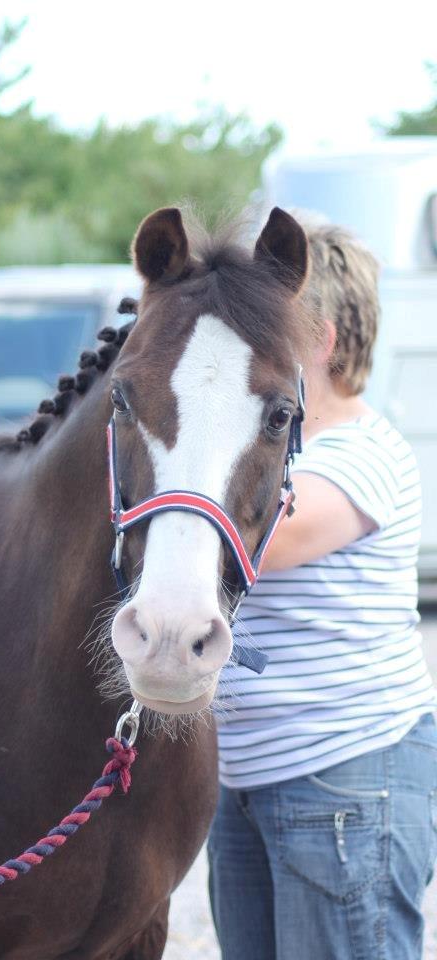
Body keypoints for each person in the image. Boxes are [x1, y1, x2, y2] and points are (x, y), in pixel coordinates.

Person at [208, 216, 437, 960]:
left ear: (321, 339)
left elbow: (240, 536)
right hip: (255, 778)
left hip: (341, 783)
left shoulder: (358, 457)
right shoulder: (281, 447)